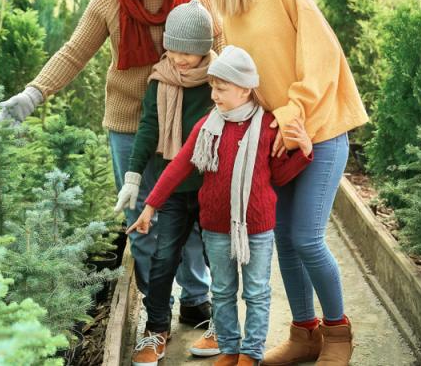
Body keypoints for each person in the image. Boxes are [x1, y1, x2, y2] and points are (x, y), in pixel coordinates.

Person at [0, 0, 224, 326]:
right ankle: (156, 307)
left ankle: (196, 298)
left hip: (187, 122)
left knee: (188, 213)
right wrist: (34, 93)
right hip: (129, 121)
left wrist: (230, 106)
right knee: (139, 215)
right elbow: (74, 51)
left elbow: (222, 45)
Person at [183, 0, 370, 364]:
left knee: (306, 238)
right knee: (283, 239)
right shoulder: (226, 13)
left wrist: (292, 112)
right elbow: (244, 76)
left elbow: (323, 59)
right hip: (279, 143)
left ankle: (338, 334)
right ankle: (305, 336)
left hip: (320, 132)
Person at [127, 46, 314, 366]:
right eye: (212, 86)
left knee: (255, 293)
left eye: (221, 87)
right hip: (215, 227)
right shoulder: (207, 127)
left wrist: (303, 150)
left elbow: (280, 176)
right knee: (224, 293)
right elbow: (178, 167)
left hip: (256, 229)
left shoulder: (267, 126)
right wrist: (150, 207)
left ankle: (251, 353)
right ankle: (229, 348)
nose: (213, 94)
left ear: (244, 89)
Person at [113, 0, 220, 365]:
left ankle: (222, 325)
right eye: (172, 49)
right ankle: (157, 327)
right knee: (163, 258)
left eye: (186, 53)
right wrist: (133, 176)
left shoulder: (219, 82)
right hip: (173, 189)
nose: (177, 59)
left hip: (211, 189)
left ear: (204, 50)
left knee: (217, 259)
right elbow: (147, 129)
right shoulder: (161, 80)